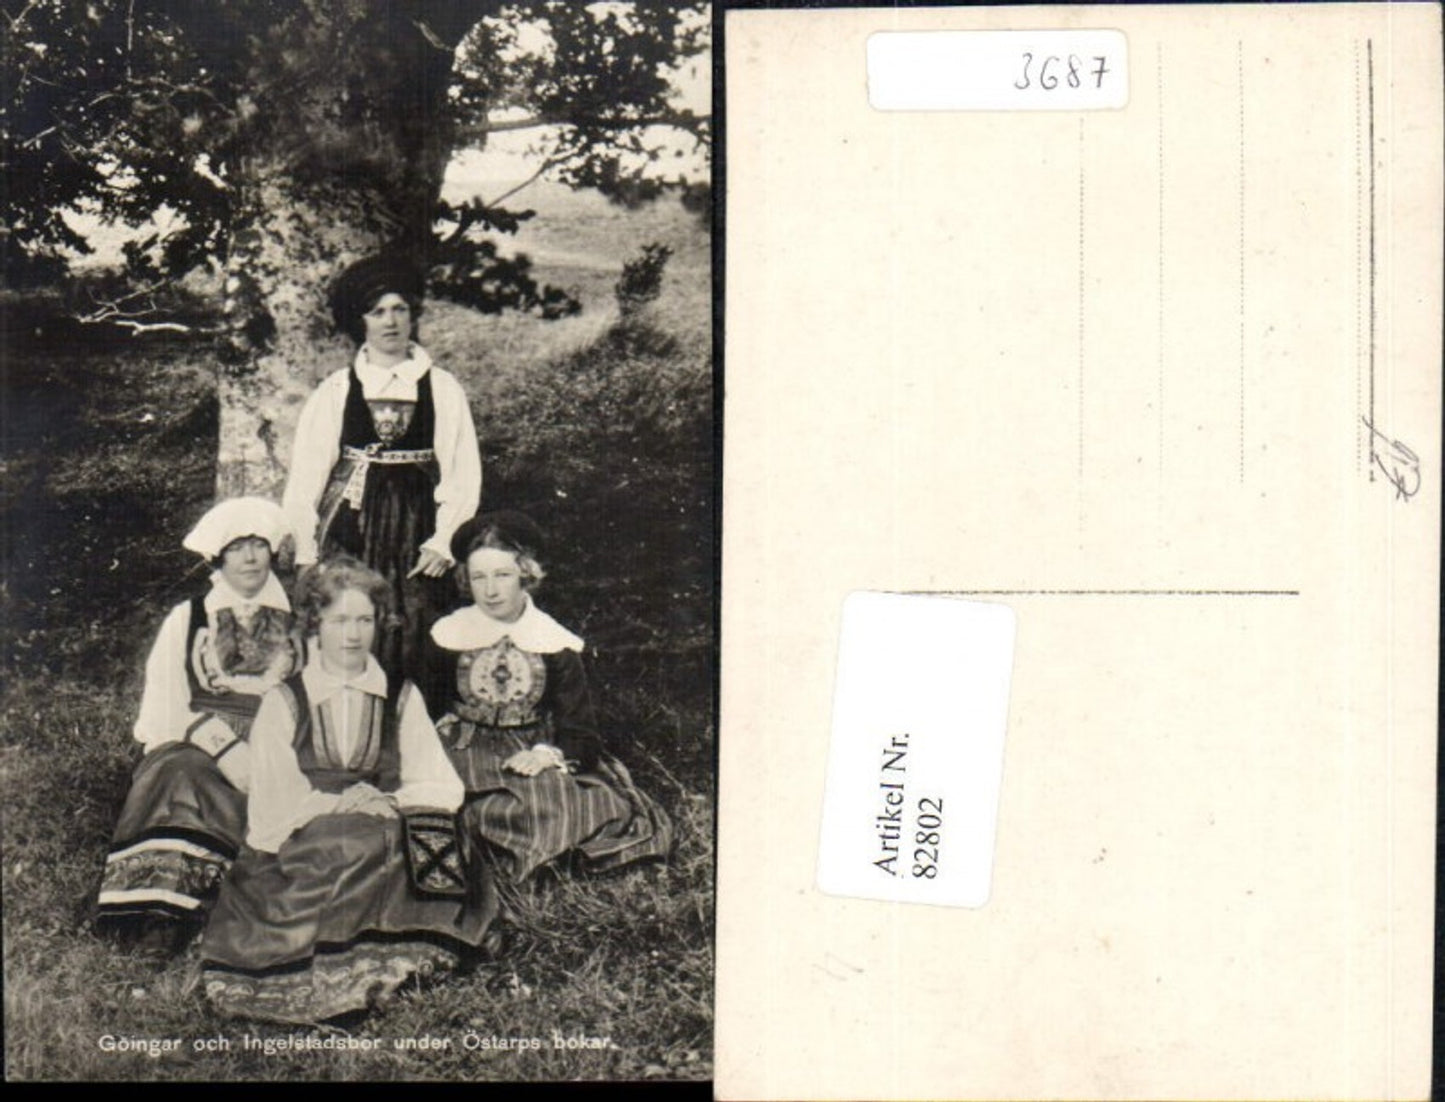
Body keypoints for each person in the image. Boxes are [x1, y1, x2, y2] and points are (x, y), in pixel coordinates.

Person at [200, 556, 494, 1023]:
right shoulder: (285, 701)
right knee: (342, 847)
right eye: (340, 620)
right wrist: (340, 803)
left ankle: (398, 955)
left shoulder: (400, 694)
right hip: (309, 826)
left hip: (383, 818)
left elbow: (436, 778)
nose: (353, 634)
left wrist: (388, 800)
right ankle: (343, 963)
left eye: (365, 620)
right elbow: (276, 800)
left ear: (380, 624)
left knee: (422, 841)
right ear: (315, 624)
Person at [96, 497, 303, 957]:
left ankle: (219, 908)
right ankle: (159, 917)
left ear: (272, 552)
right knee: (179, 776)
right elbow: (168, 704)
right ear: (218, 556)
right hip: (199, 738)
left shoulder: (300, 619)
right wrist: (225, 748)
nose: (250, 558)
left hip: (283, 740)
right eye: (236, 547)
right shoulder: (188, 618)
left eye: (258, 545)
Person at [423, 512, 673, 885]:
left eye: (503, 576)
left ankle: (546, 859)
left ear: (526, 575)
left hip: (529, 743)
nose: (491, 590)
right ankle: (526, 859)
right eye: (479, 578)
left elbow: (578, 726)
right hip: (464, 747)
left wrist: (545, 754)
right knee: (458, 804)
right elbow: (424, 702)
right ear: (466, 580)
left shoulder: (553, 642)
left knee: (557, 799)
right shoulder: (448, 634)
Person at [281, 254, 482, 684]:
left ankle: (414, 727)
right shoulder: (336, 391)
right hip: (353, 525)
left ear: (412, 316)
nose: (390, 322)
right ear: (362, 323)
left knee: (417, 623)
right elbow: (306, 480)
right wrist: (306, 550)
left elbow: (462, 474)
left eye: (400, 309)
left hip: (419, 527)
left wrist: (444, 542)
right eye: (378, 312)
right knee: (350, 614)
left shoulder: (442, 388)